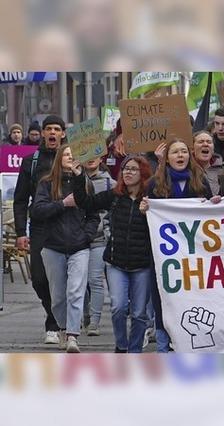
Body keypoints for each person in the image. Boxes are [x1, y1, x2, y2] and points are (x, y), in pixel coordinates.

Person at [73, 155, 154, 353]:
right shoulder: (115, 196)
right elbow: (85, 202)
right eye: (125, 169)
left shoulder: (152, 199)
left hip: (142, 265)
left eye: (133, 169)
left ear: (142, 173)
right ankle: (121, 345)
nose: (128, 172)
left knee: (138, 313)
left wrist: (149, 213)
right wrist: (78, 176)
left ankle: (134, 351)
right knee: (118, 308)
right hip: (116, 263)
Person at [140, 138, 214, 352]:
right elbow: (149, 223)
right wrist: (145, 210)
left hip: (194, 256)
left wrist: (214, 204)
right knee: (165, 300)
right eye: (175, 152)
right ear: (167, 158)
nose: (180, 156)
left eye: (184, 151)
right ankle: (164, 348)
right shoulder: (155, 184)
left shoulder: (200, 181)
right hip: (167, 258)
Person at [32, 145, 100, 352]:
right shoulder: (47, 183)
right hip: (53, 246)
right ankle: (62, 327)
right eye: (67, 154)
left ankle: (72, 335)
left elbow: (93, 215)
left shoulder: (85, 183)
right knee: (58, 296)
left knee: (76, 291)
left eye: (74, 154)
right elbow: (37, 210)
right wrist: (63, 204)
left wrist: (86, 236)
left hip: (79, 246)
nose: (71, 157)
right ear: (60, 158)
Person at [13, 115, 66, 344]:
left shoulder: (72, 158)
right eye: (48, 129)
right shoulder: (30, 161)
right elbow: (20, 199)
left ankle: (58, 324)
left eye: (57, 129)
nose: (52, 132)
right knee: (39, 279)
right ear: (43, 133)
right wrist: (20, 232)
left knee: (65, 278)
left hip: (67, 223)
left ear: (63, 133)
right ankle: (53, 315)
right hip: (40, 225)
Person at [81, 157, 116, 336]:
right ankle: (84, 316)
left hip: (100, 238)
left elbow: (113, 211)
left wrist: (108, 231)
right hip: (77, 238)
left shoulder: (111, 183)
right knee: (79, 281)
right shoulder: (73, 179)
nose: (90, 158)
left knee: (94, 279)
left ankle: (94, 321)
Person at [191, 130, 223, 195]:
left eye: (209, 142)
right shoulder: (187, 170)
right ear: (192, 148)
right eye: (200, 142)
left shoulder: (223, 170)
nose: (205, 144)